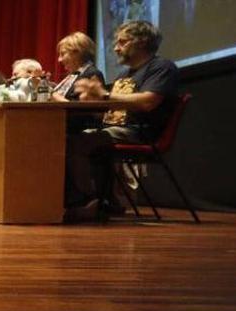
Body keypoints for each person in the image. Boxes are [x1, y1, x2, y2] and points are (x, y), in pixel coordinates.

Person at [65, 20, 180, 219]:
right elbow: (108, 110)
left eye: (122, 42)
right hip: (116, 130)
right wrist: (90, 101)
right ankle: (104, 200)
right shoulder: (124, 74)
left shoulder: (162, 67)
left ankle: (88, 202)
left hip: (139, 132)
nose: (116, 48)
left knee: (77, 143)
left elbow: (148, 102)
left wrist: (104, 96)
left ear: (142, 42)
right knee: (65, 138)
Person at [52, 31, 105, 101]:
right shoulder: (74, 75)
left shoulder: (92, 74)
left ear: (77, 53)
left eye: (63, 54)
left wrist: (56, 97)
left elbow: (89, 108)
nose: (59, 60)